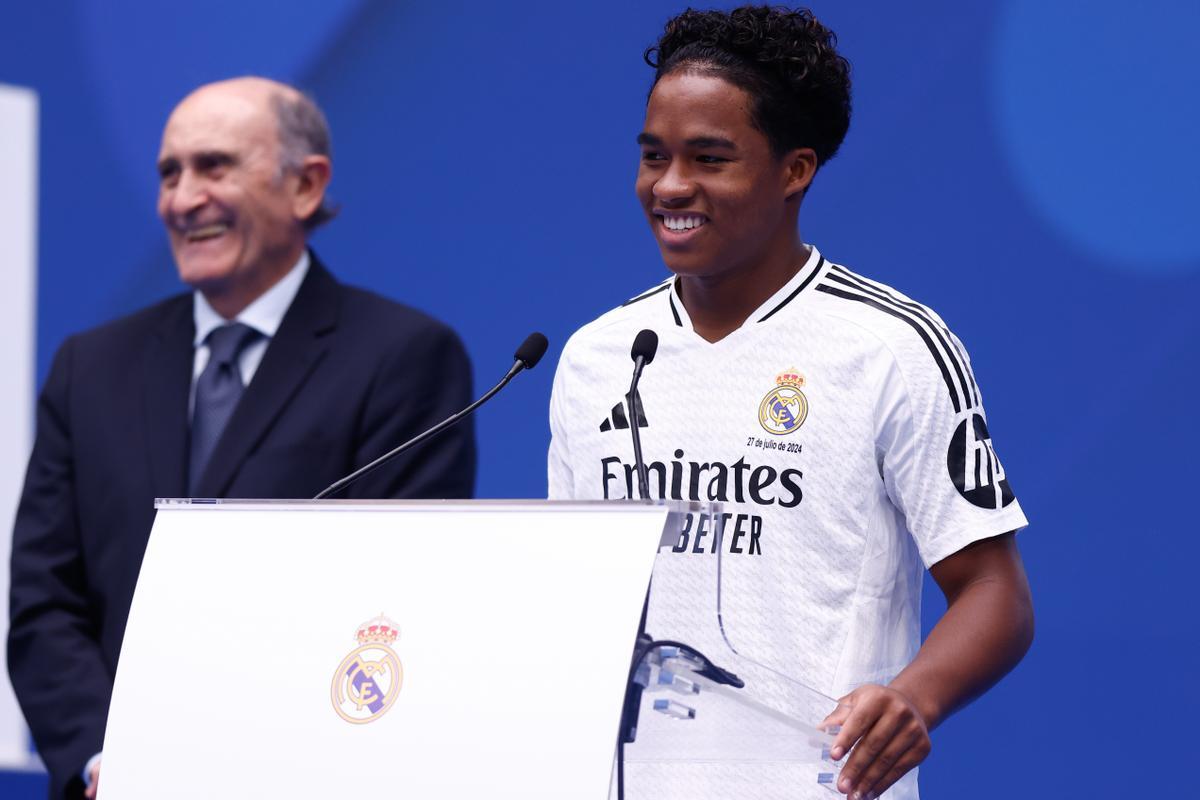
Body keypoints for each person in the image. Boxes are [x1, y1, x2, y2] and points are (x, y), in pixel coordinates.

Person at [547, 7, 1033, 799]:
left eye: (709, 158)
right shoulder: (596, 356)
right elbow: (575, 597)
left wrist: (914, 698)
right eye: (653, 157)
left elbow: (995, 592)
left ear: (795, 170)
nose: (670, 186)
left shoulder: (890, 345)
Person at [8, 77, 476, 800]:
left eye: (214, 166)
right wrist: (110, 758)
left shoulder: (403, 357)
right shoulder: (90, 367)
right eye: (169, 172)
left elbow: (387, 604)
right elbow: (46, 601)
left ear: (305, 185)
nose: (182, 198)